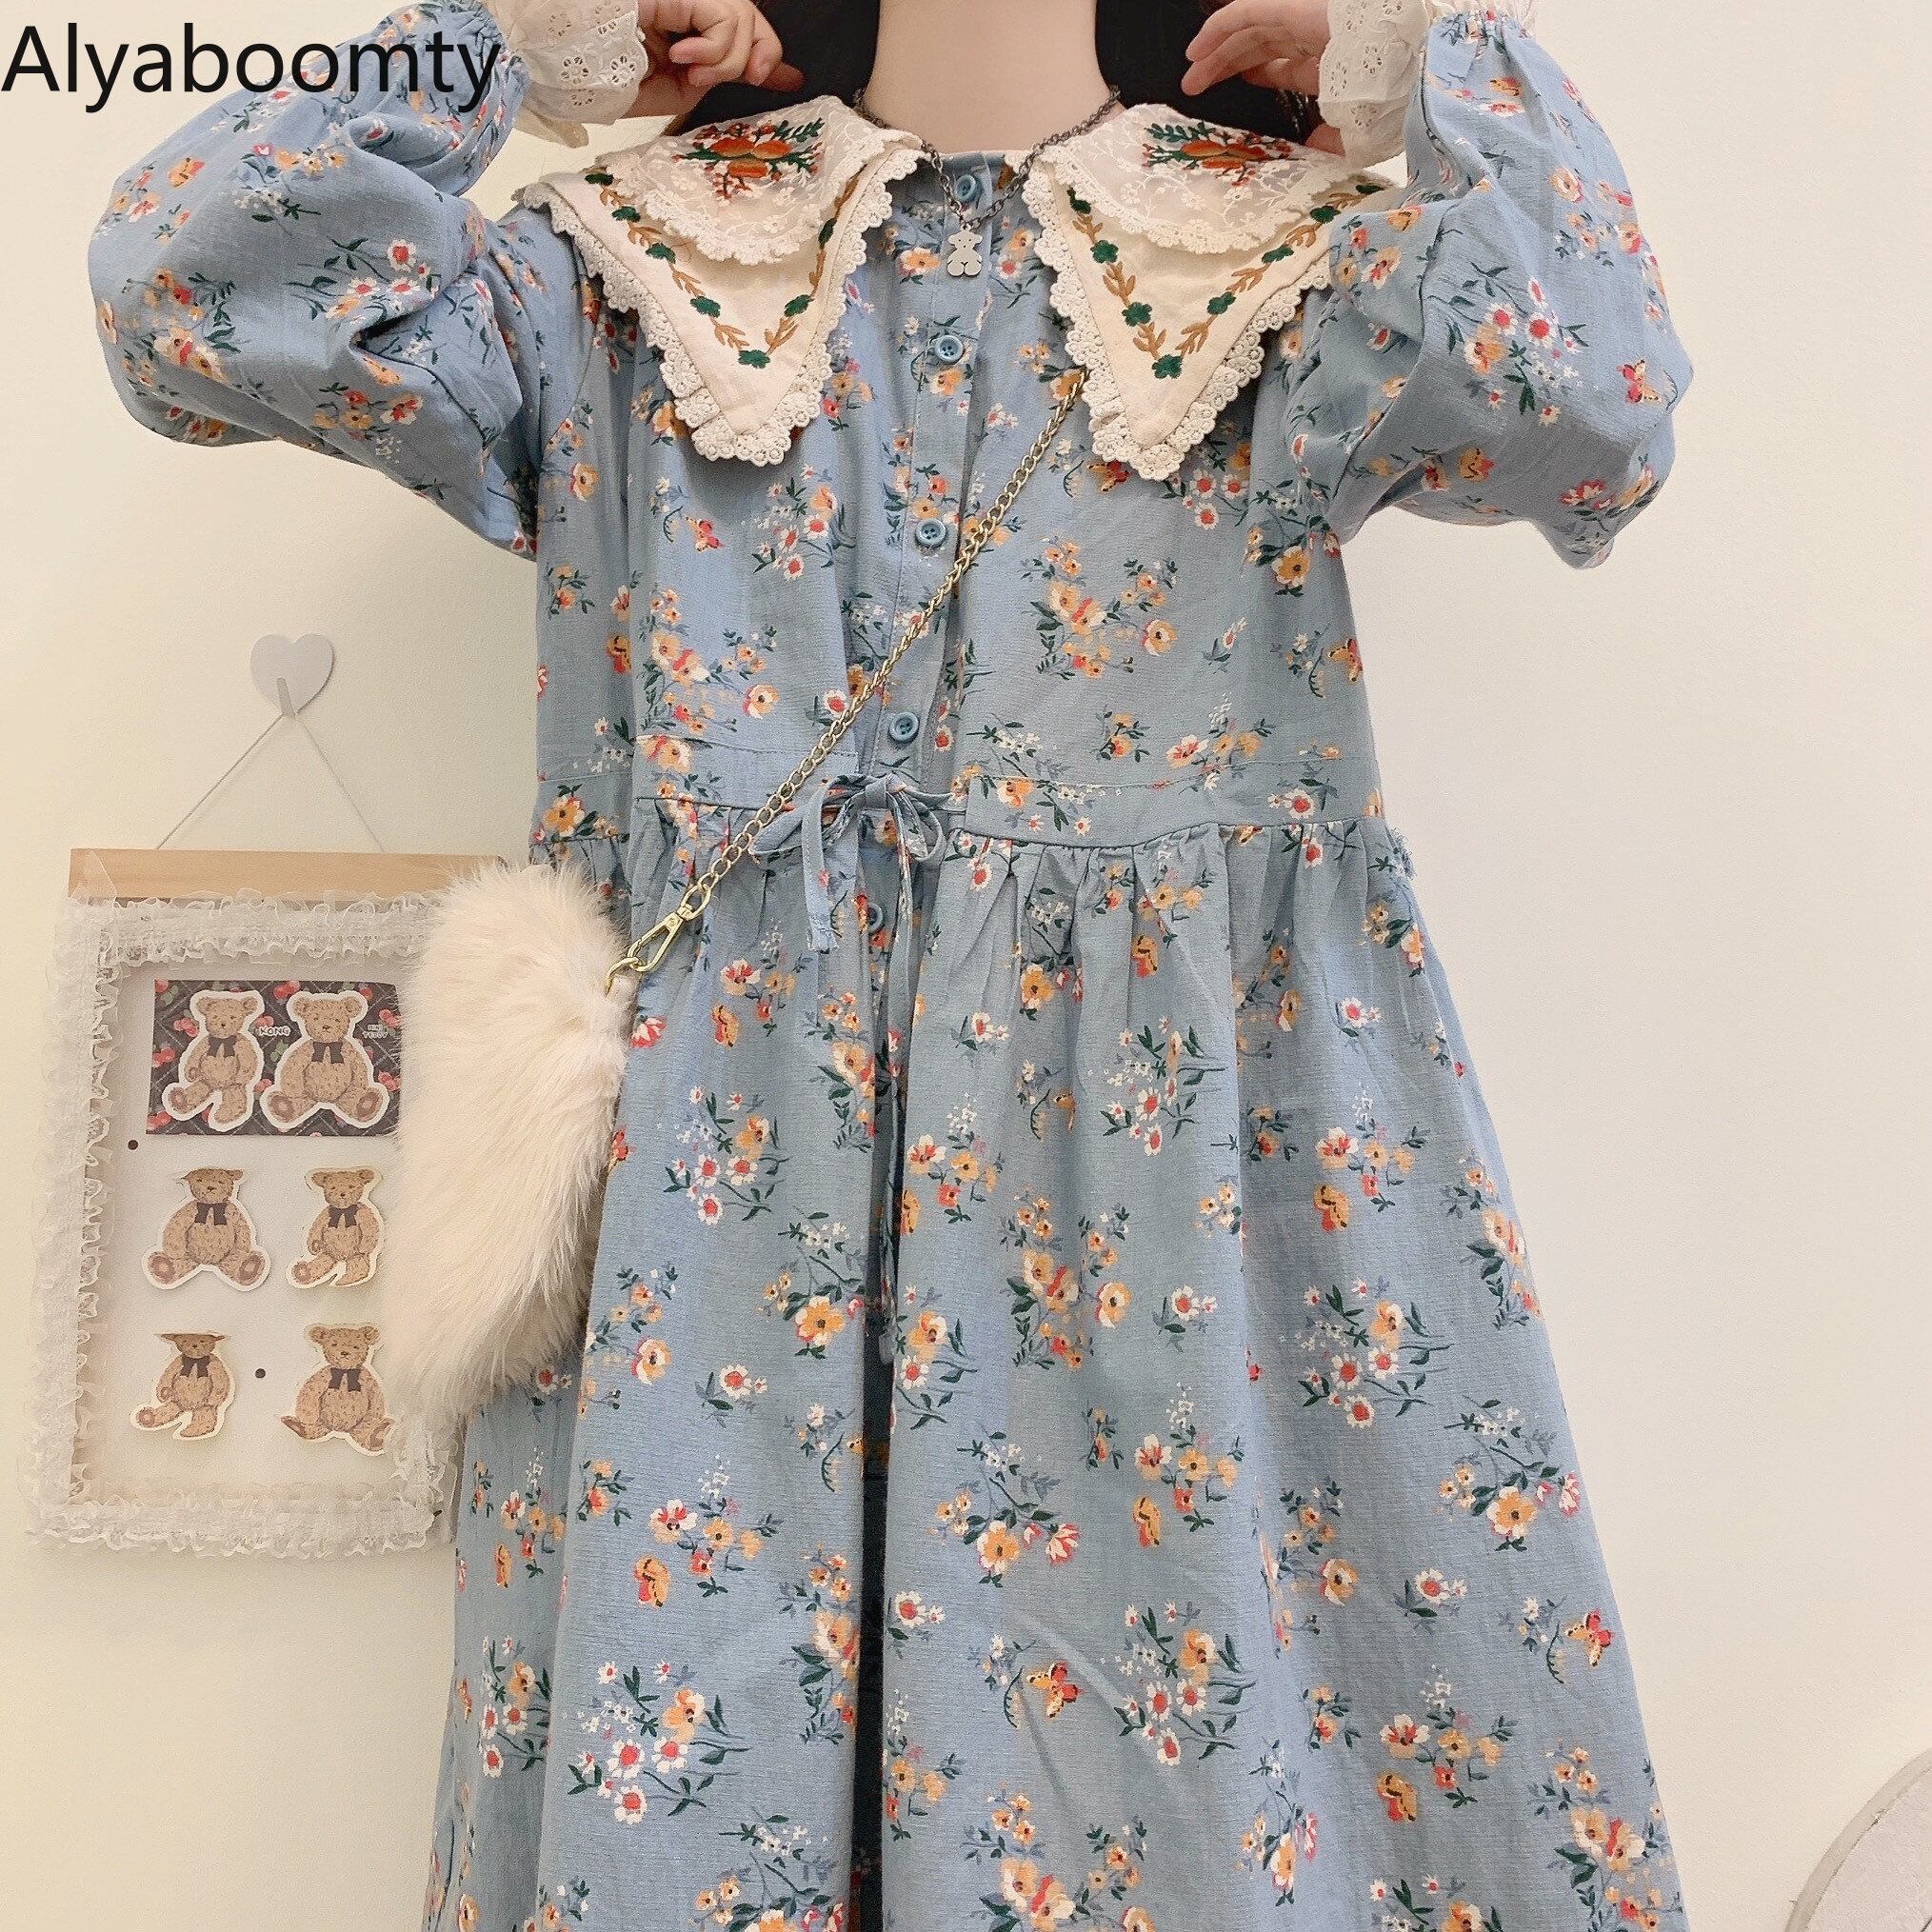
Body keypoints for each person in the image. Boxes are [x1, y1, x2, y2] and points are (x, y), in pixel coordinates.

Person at [90, 3, 1693, 1926]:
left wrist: (1408, 50)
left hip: (1177, 1234)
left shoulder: (1272, 270)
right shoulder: (633, 272)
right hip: (715, 1243)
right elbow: (186, 295)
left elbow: (1597, 398)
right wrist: (522, 40)